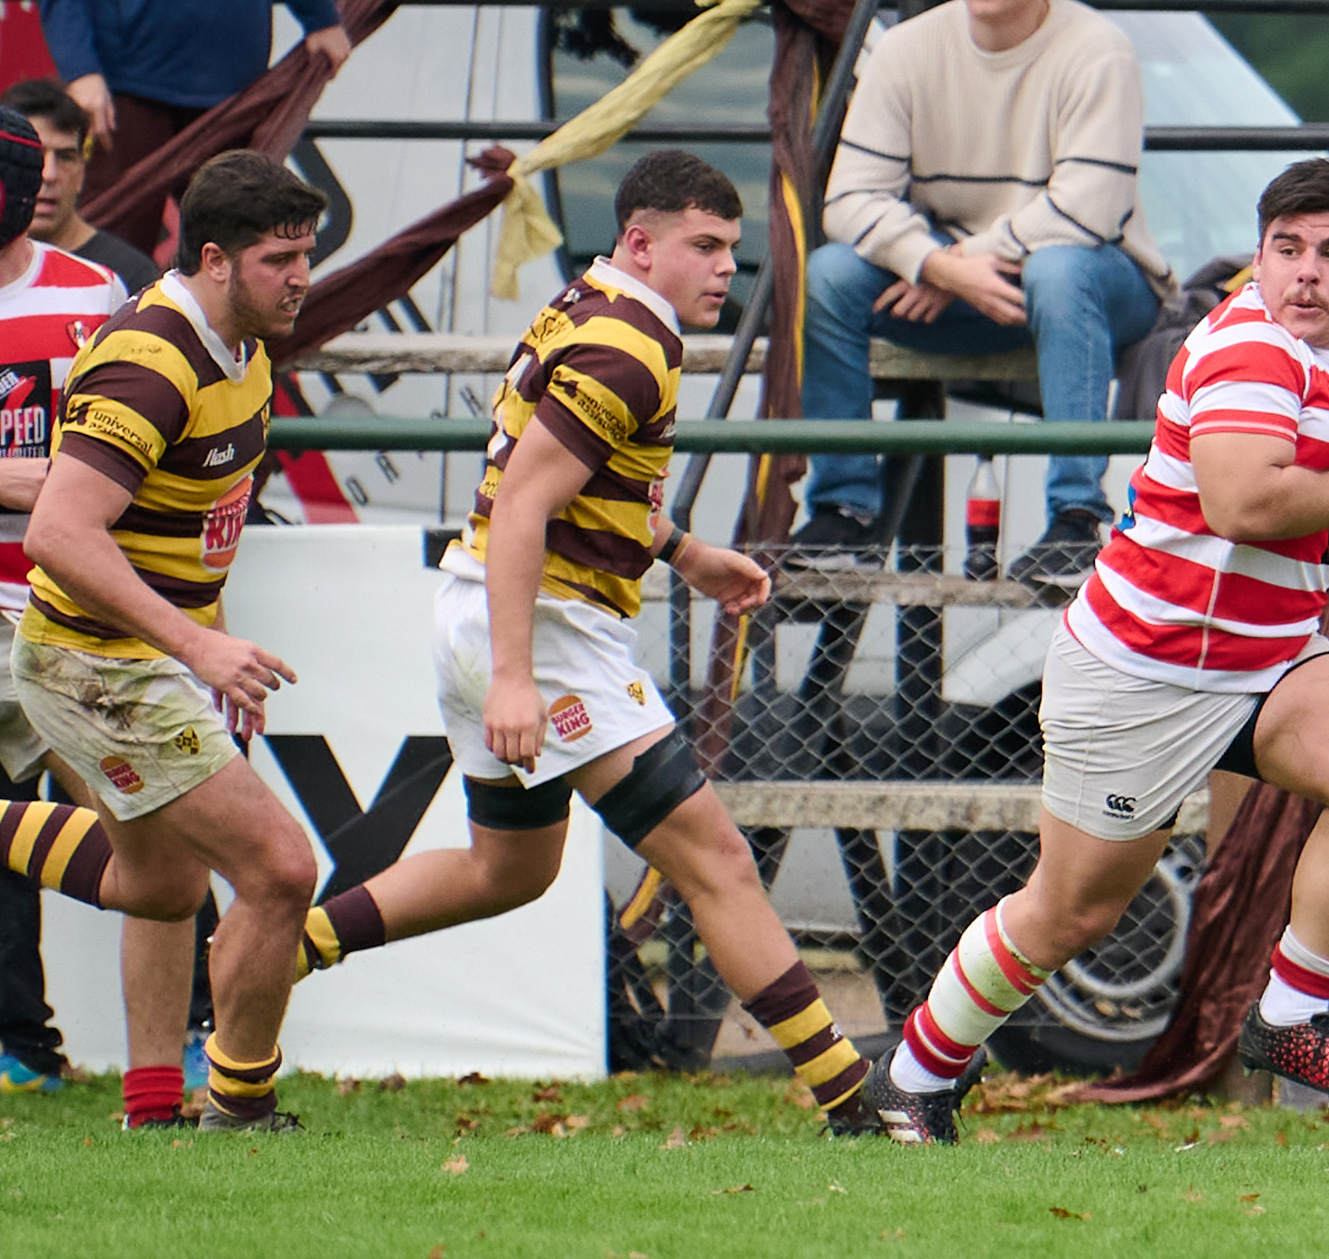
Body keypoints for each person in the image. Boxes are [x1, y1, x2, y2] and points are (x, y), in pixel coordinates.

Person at [860, 158, 1329, 1143]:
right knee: (1069, 913)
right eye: (1287, 249)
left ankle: (1291, 1016)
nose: (1307, 272)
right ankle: (913, 1074)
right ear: (1259, 257)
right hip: (1145, 669)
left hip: (1267, 656)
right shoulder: (1248, 348)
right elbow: (1243, 501)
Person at [289, 150, 880, 1133]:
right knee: (717, 859)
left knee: (507, 870)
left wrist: (687, 552)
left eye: (731, 248)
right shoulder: (628, 345)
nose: (725, 267)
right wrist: (515, 677)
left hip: (487, 608)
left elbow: (585, 489)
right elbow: (525, 505)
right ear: (640, 242)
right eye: (705, 245)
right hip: (546, 630)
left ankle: (294, 941)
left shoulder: (591, 307)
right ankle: (855, 1098)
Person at [6, 148, 327, 1132]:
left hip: (139, 659)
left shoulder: (248, 346)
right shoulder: (151, 358)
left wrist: (209, 643)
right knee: (282, 867)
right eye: (280, 259)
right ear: (215, 259)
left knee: (162, 883)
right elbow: (60, 531)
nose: (302, 277)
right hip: (94, 662)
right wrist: (197, 647)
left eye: (307, 254)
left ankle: (153, 1107)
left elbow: (196, 535)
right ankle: (242, 1104)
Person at [786, 0, 1175, 588]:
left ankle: (1076, 518)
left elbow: (1087, 211)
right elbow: (846, 202)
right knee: (829, 276)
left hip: (1096, 275)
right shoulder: (906, 49)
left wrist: (955, 264)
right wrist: (933, 263)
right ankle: (844, 513)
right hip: (963, 277)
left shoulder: (1099, 48)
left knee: (1058, 273)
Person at [40, 0, 351, 254]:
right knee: (114, 250)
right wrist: (80, 69)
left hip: (235, 89)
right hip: (126, 87)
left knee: (236, 246)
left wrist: (321, 17)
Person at [3, 78, 160, 294]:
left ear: (83, 171)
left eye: (66, 157)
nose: (49, 174)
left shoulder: (129, 275)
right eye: (35, 156)